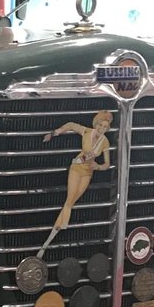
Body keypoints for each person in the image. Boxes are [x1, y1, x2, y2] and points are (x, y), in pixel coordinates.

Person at [37, 110, 113, 259]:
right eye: (100, 125)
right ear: (96, 124)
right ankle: (51, 238)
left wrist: (98, 167)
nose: (102, 129)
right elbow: (71, 125)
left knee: (71, 202)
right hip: (76, 168)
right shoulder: (86, 132)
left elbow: (107, 164)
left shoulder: (105, 142)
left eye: (105, 127)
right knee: (70, 199)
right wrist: (54, 133)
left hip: (88, 172)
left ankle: (52, 235)